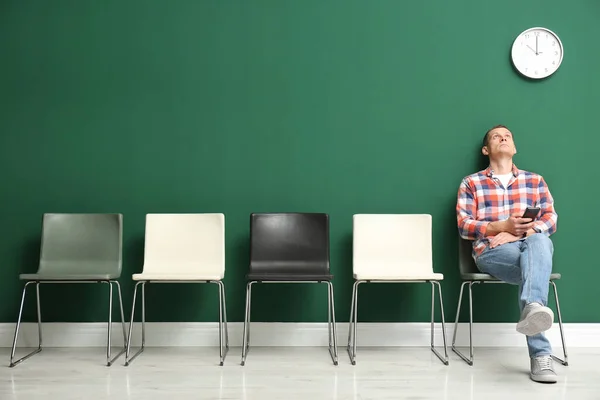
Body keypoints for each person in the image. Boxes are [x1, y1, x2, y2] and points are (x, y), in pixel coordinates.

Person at [456, 125, 559, 383]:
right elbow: (464, 226)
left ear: (514, 147)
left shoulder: (535, 181)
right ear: (486, 149)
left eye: (508, 136)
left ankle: (535, 318)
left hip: (529, 248)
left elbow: (551, 220)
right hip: (491, 253)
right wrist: (501, 227)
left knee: (539, 241)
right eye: (495, 136)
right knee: (537, 253)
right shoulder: (471, 183)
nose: (502, 137)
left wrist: (517, 234)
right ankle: (540, 354)